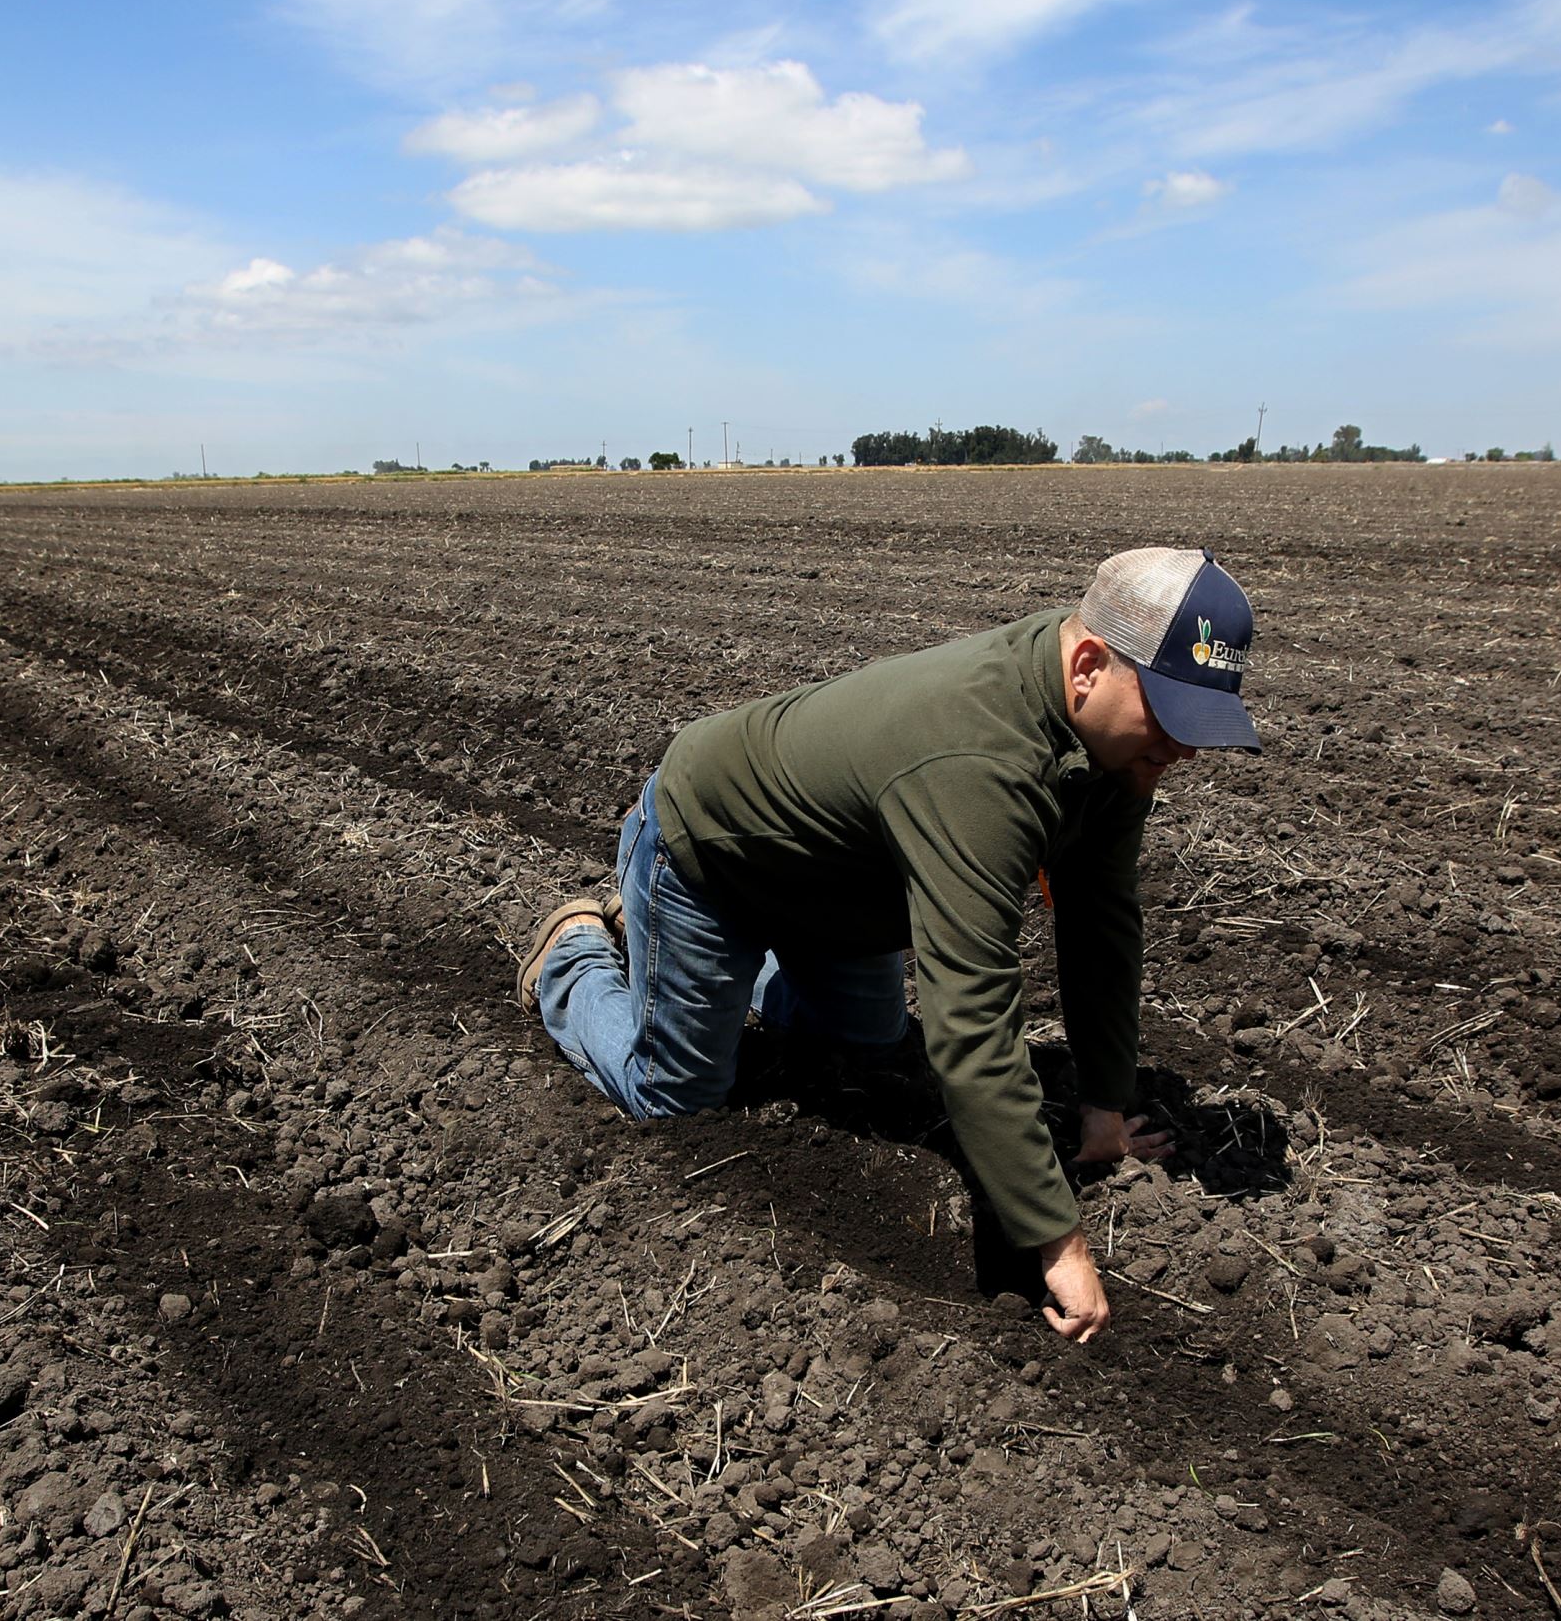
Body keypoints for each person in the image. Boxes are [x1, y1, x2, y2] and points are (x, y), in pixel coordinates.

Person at [517, 547, 1260, 1341]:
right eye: (1172, 719)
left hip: (837, 885)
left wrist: (1104, 1108)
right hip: (713, 854)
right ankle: (579, 951)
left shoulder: (1114, 751)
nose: (1185, 751)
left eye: (1202, 727)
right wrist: (1058, 1240)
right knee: (676, 1094)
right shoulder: (981, 761)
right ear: (1087, 664)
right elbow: (971, 1020)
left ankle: (701, 965)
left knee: (869, 1038)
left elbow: (1101, 920)